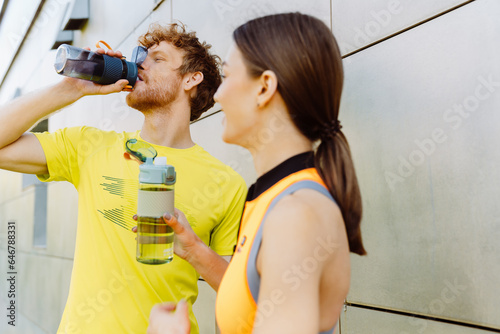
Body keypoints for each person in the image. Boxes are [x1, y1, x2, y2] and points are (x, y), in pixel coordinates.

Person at [0, 23, 247, 334]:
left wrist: (195, 249)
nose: (141, 63)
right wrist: (70, 89)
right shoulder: (89, 146)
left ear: (191, 78)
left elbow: (237, 293)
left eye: (157, 59)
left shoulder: (226, 183)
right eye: (142, 57)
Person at [146, 12, 366, 334]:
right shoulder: (275, 198)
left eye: (227, 75)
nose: (217, 94)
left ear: (264, 88)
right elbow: (256, 298)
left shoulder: (295, 215)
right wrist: (194, 250)